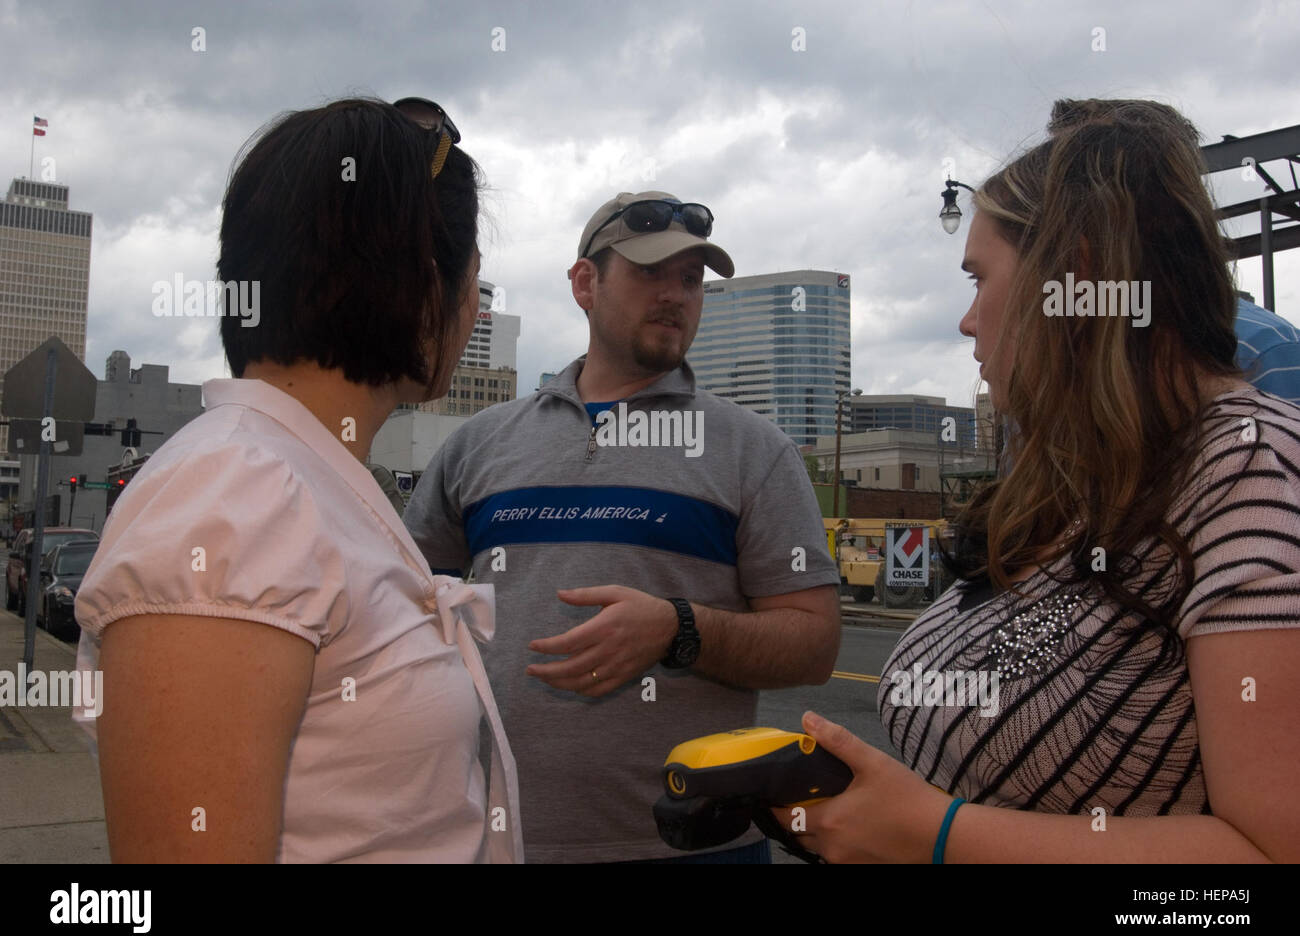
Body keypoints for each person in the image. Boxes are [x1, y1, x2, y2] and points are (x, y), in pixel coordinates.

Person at [782, 99, 1300, 862]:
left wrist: (936, 834)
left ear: (1075, 278)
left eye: (978, 278)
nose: (965, 321)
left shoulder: (1251, 469)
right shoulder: (1082, 478)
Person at [72, 96, 522, 863]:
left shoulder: (299, 477)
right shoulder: (240, 498)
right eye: (473, 280)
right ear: (418, 289)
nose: (475, 309)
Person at [404, 190, 842, 863]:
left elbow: (814, 644)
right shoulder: (480, 444)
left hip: (694, 849)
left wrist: (680, 628)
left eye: (691, 280)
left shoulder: (754, 450)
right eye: (648, 272)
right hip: (492, 838)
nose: (675, 295)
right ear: (585, 283)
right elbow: (402, 603)